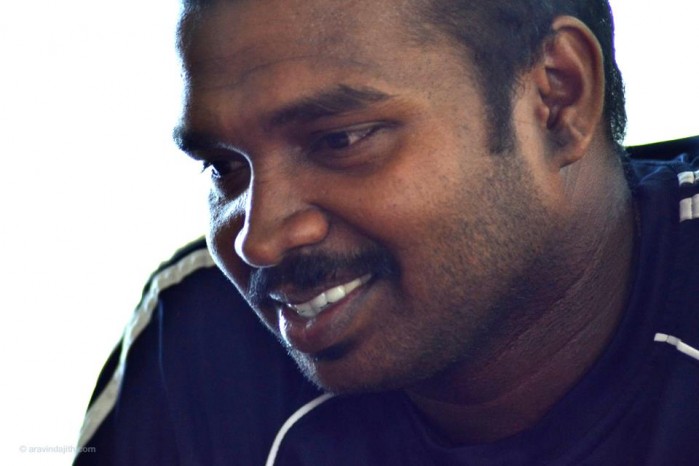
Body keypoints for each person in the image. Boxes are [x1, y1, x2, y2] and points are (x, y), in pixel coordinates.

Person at [74, 0, 699, 464]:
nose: (258, 242)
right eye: (224, 167)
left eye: (339, 140)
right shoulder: (202, 345)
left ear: (557, 98)